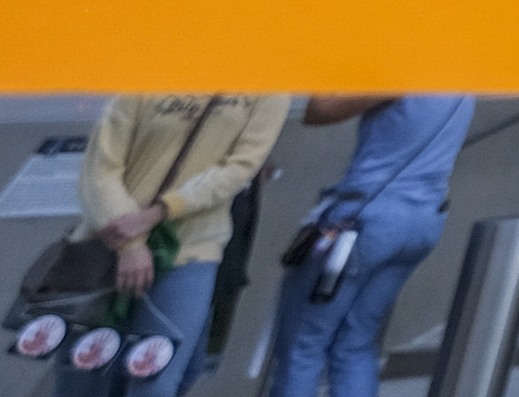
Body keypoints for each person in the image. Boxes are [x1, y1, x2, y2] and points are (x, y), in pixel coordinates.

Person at [67, 95, 288, 397]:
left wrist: (160, 211)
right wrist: (131, 243)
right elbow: (99, 171)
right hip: (108, 243)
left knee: (157, 381)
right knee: (88, 376)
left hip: (192, 246)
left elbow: (240, 168)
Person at [263, 96, 469, 397]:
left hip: (365, 222)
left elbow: (319, 110)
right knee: (355, 344)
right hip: (424, 220)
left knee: (302, 347)